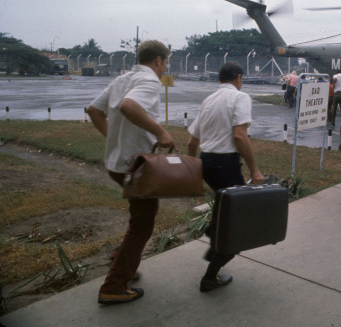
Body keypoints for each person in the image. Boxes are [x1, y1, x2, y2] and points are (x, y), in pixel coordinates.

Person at [87, 40, 175, 305]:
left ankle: (123, 260)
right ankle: (114, 286)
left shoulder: (122, 79)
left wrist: (112, 139)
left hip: (116, 164)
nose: (165, 67)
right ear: (158, 60)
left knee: (138, 219)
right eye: (166, 62)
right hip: (135, 166)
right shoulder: (148, 82)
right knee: (142, 225)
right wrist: (161, 132)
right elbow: (129, 107)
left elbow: (93, 109)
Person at [187, 62, 264, 293]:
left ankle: (215, 239)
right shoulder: (240, 98)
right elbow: (240, 136)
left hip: (207, 163)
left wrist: (194, 171)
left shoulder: (208, 100)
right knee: (239, 224)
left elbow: (192, 142)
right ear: (239, 78)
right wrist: (255, 170)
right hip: (226, 164)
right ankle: (210, 276)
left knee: (225, 209)